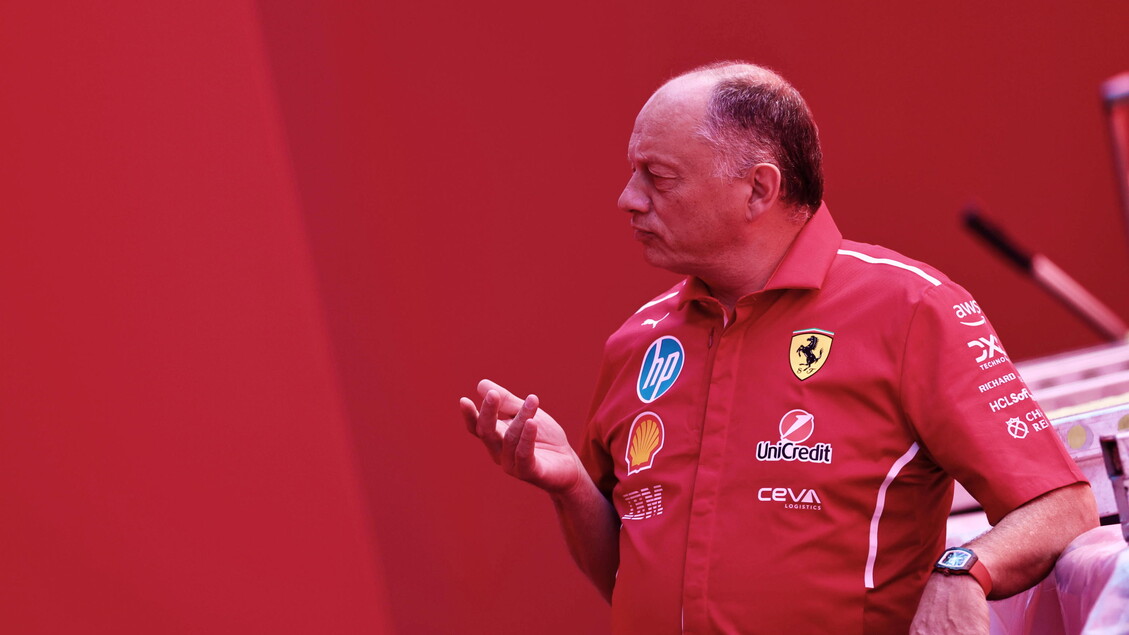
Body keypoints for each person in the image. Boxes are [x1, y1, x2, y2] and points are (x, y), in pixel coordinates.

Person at [459, 61, 1098, 634]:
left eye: (658, 177)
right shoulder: (637, 342)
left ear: (759, 190)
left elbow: (1062, 506)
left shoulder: (910, 308)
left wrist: (962, 571)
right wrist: (571, 486)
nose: (628, 199)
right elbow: (628, 580)